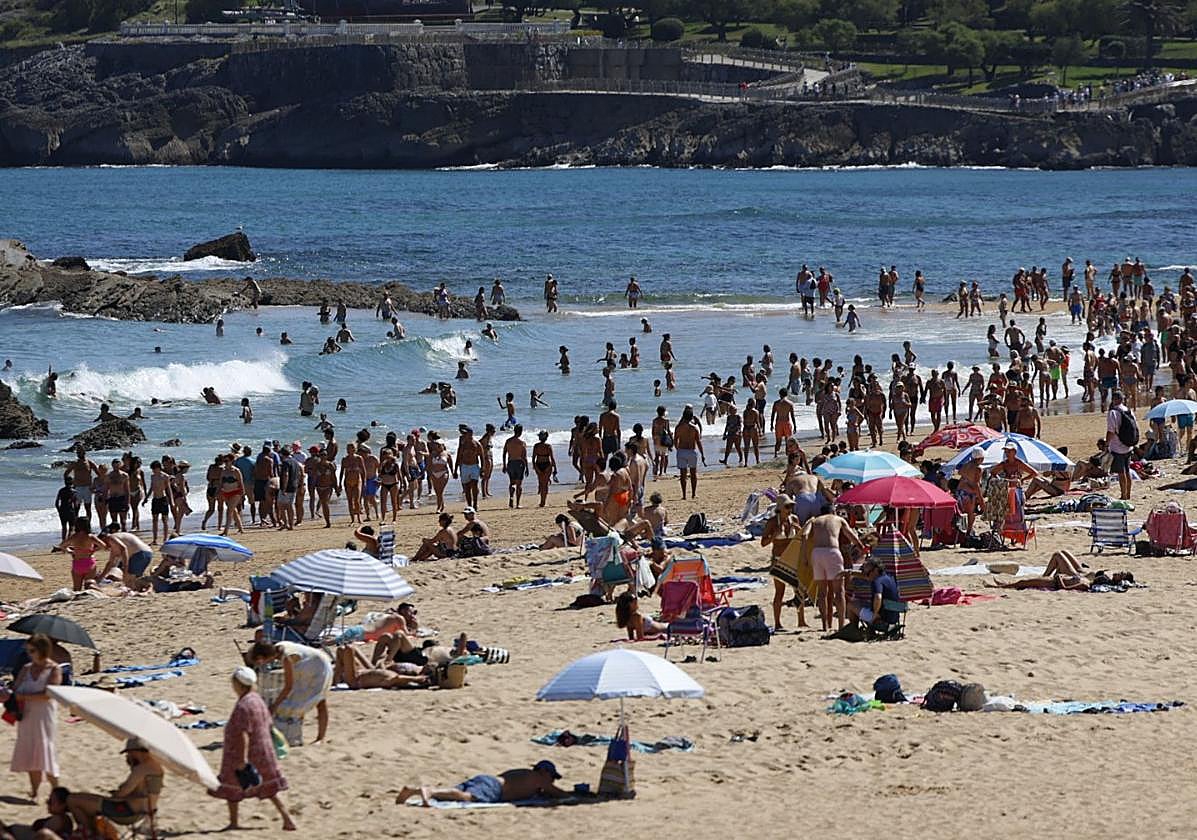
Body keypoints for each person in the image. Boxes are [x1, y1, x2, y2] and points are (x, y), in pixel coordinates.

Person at [212, 667, 295, 832]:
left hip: (243, 753)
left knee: (231, 787)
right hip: (264, 750)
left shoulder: (244, 705)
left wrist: (241, 759)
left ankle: (234, 822)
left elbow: (244, 733)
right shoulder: (257, 700)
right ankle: (287, 819)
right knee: (269, 787)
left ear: (238, 684)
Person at [67, 738, 164, 831]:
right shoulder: (155, 766)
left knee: (73, 800)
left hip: (126, 811)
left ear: (136, 752)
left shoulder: (141, 769)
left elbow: (123, 792)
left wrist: (114, 794)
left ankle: (89, 833)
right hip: (143, 812)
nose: (129, 756)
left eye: (129, 753)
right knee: (86, 801)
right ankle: (92, 831)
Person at [248, 641, 332, 746]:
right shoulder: (278, 648)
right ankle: (296, 733)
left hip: (318, 666)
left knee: (320, 700)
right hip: (304, 668)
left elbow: (288, 687)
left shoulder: (287, 657)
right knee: (300, 699)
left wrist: (274, 706)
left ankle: (321, 738)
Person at [8, 635, 60, 801]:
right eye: (28, 650)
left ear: (42, 650)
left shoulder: (54, 669)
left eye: (32, 650)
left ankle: (57, 791)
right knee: (30, 750)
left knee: (46, 749)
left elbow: (49, 693)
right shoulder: (26, 668)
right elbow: (16, 688)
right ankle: (35, 791)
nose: (29, 654)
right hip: (27, 714)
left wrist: (25, 696)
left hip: (44, 714)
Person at [396, 761, 570, 807]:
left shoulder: (525, 774)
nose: (552, 780)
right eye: (552, 777)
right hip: (494, 788)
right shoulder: (539, 778)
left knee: (452, 794)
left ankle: (414, 791)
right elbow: (559, 793)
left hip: (486, 779)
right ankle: (429, 791)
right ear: (545, 772)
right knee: (467, 798)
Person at [808, 504, 865, 633]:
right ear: (833, 511)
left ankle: (824, 626)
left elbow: (807, 537)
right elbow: (852, 537)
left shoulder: (815, 521)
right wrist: (861, 547)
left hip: (816, 553)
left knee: (822, 593)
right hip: (832, 551)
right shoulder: (838, 519)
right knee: (839, 591)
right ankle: (840, 626)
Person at [761, 495, 806, 631]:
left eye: (791, 506)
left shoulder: (794, 519)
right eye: (787, 507)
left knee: (799, 589)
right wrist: (774, 535)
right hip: (778, 559)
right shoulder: (772, 522)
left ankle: (801, 620)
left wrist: (799, 530)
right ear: (780, 508)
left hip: (794, 557)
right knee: (780, 592)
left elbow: (803, 538)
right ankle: (778, 623)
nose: (790, 509)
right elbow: (763, 543)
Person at [53, 517, 105, 592]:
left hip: (77, 563)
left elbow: (62, 545)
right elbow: (103, 546)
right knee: (89, 587)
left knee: (77, 589)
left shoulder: (74, 536)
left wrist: (70, 551)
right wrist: (94, 550)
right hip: (89, 563)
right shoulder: (90, 536)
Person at [1107, 390, 1135, 501]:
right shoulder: (1129, 411)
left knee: (1121, 472)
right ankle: (1128, 494)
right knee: (1127, 471)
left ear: (1114, 400)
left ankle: (1123, 495)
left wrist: (1107, 444)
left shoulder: (1113, 412)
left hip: (1117, 446)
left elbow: (1111, 431)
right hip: (1128, 445)